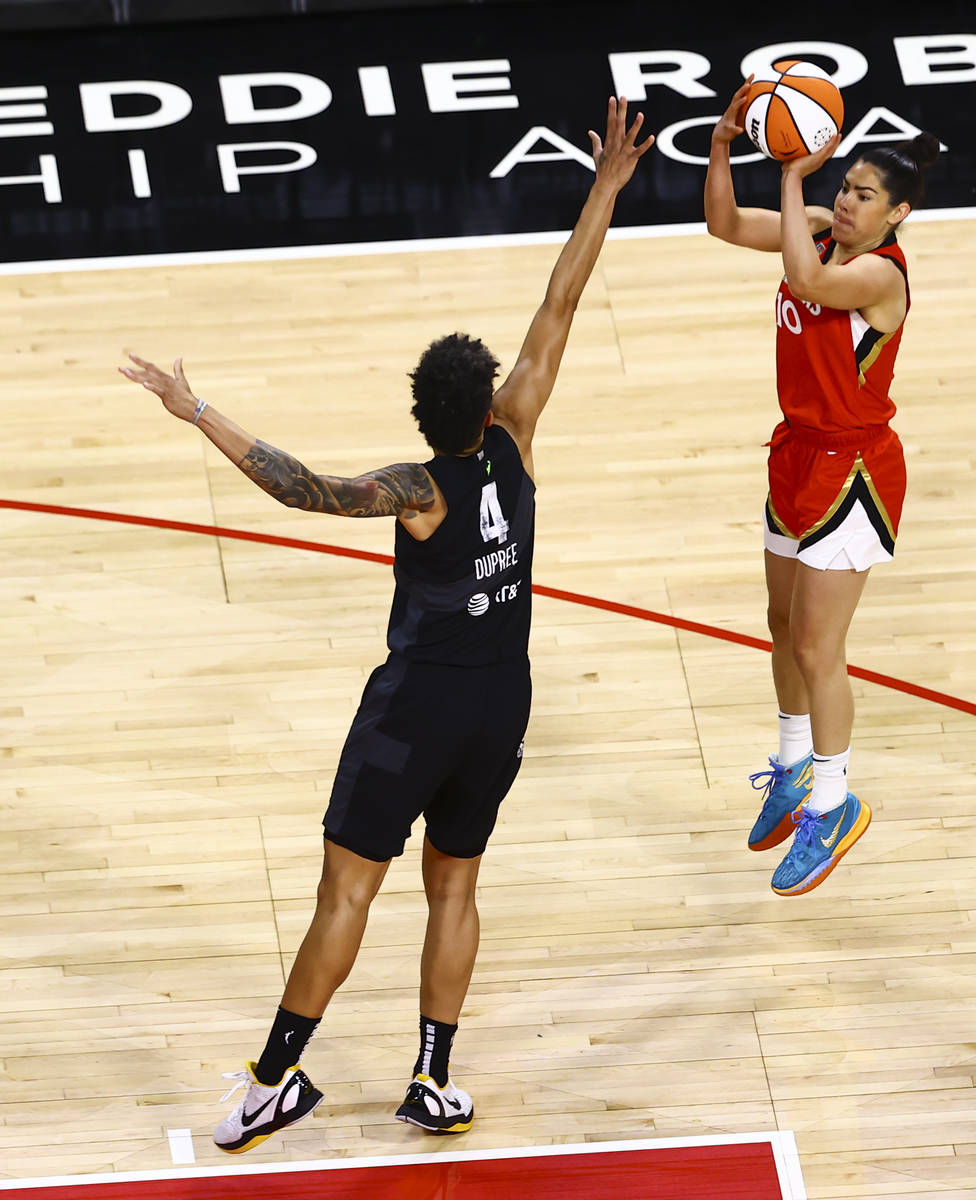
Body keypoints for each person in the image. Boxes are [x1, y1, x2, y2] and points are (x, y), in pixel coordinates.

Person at [120, 96, 653, 1152]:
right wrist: (604, 187)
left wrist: (198, 410)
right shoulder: (518, 432)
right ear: (488, 400)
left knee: (345, 893)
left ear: (423, 417)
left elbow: (302, 489)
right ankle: (433, 1080)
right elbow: (561, 301)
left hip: (415, 711)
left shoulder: (417, 488)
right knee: (454, 887)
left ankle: (274, 1079)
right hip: (501, 705)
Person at [704, 78, 939, 897]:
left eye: (862, 195)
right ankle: (795, 763)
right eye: (844, 186)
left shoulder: (879, 277)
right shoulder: (814, 230)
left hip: (856, 470)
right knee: (780, 625)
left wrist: (792, 172)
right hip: (796, 455)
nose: (844, 201)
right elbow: (723, 223)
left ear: (896, 214)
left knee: (816, 646)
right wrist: (725, 144)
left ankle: (836, 804)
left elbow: (806, 284)